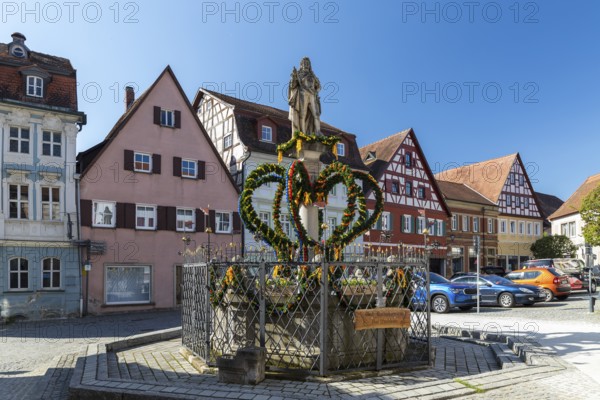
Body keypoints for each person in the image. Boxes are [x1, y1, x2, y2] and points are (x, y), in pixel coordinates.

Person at [288, 57, 322, 135]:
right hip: (303, 94)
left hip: (312, 95)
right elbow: (293, 86)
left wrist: (316, 91)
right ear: (301, 65)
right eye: (304, 63)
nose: (306, 64)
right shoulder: (299, 74)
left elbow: (319, 87)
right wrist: (293, 77)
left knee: (316, 114)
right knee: (302, 114)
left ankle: (318, 132)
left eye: (307, 63)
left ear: (309, 65)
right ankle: (302, 133)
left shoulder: (313, 76)